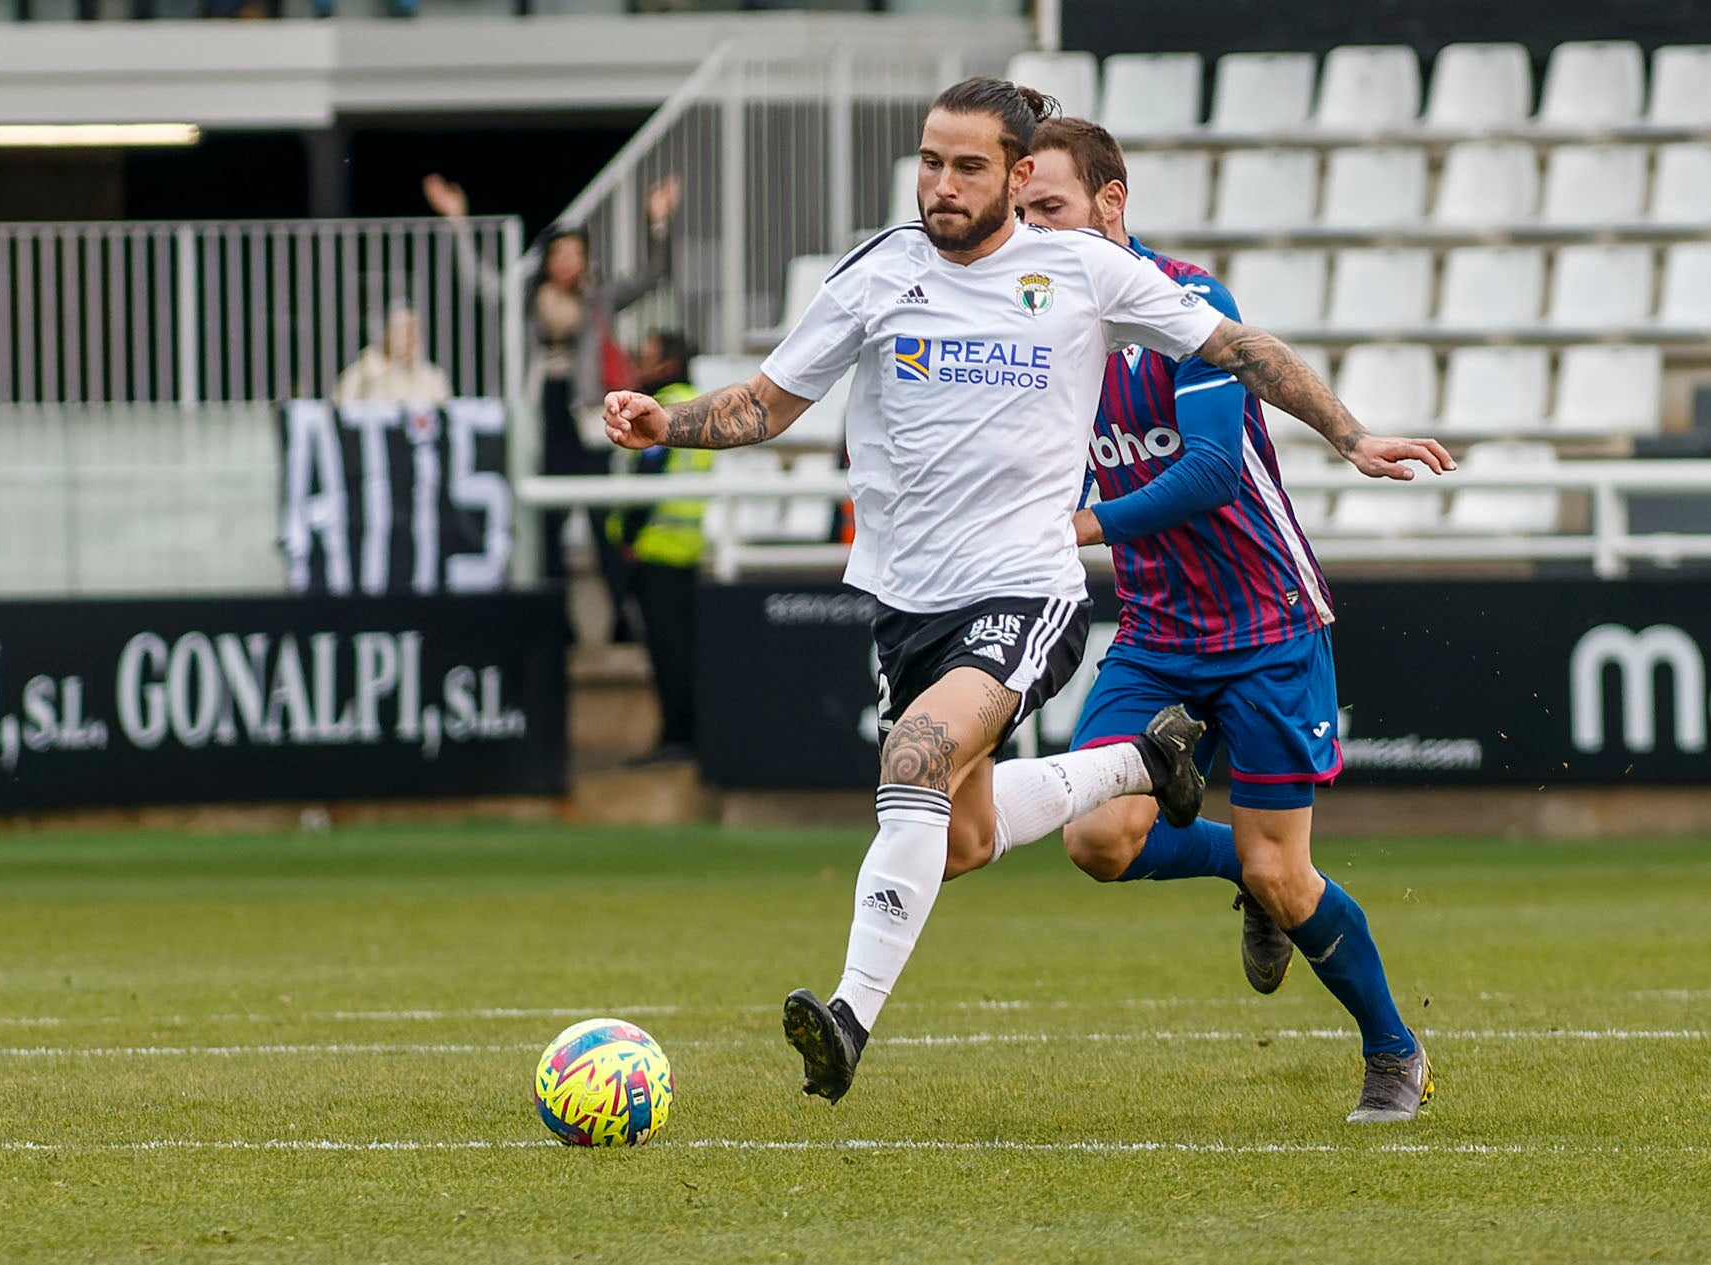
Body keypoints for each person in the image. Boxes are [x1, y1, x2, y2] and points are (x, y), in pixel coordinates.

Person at [602, 77, 1399, 1110]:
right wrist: (663, 424)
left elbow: (1238, 349)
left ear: (1017, 178)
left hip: (1027, 588)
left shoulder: (1079, 271)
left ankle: (846, 1018)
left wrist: (1350, 433)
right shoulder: (879, 273)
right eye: (929, 160)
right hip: (904, 602)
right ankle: (1136, 760)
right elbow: (763, 402)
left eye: (966, 165)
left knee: (916, 756)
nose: (940, 183)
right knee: (962, 836)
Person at [963, 116, 1453, 1123]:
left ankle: (1392, 1052)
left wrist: (1076, 524)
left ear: (1111, 202)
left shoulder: (1185, 303)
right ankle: (1247, 870)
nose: (1034, 233)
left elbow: (1212, 467)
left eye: (1048, 209)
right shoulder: (1033, 331)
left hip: (1267, 623)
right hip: (1156, 632)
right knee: (1097, 839)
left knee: (1289, 872)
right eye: (1020, 216)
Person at [423, 172, 681, 640]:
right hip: (546, 413)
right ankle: (554, 621)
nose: (568, 264)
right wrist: (459, 224)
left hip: (588, 416)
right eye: (561, 255)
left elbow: (651, 277)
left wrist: (657, 223)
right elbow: (480, 283)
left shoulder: (598, 297)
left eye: (575, 255)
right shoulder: (528, 299)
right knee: (547, 528)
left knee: (605, 521)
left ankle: (623, 617)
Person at [616, 330, 708, 764]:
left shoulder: (662, 406)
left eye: (646, 356)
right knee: (685, 651)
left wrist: (628, 536)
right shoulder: (699, 400)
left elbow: (648, 479)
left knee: (669, 653)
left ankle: (676, 739)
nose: (638, 364)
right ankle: (683, 736)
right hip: (689, 549)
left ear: (667, 364)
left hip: (658, 548)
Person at [333, 303, 452, 404]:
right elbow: (341, 410)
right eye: (404, 329)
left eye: (414, 329)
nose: (411, 337)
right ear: (387, 334)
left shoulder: (432, 377)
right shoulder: (361, 373)